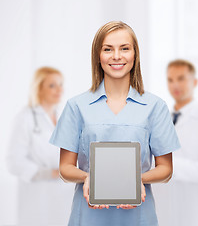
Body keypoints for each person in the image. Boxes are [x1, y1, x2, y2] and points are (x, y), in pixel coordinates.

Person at [49, 21, 180, 226]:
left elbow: (166, 170)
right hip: (88, 217)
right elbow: (65, 167)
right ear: (98, 56)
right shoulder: (77, 106)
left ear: (135, 55)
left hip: (138, 217)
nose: (117, 56)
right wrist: (90, 178)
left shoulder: (155, 106)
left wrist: (135, 182)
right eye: (108, 49)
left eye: (124, 48)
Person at [153, 59, 198, 226]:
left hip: (191, 215)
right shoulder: (161, 120)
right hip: (162, 213)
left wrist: (170, 166)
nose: (175, 85)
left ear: (195, 82)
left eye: (181, 78)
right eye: (170, 80)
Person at [6, 67, 74, 226]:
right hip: (37, 197)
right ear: (39, 88)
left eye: (61, 84)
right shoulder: (25, 118)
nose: (59, 90)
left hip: (64, 197)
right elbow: (13, 162)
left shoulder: (64, 117)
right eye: (52, 85)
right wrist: (49, 173)